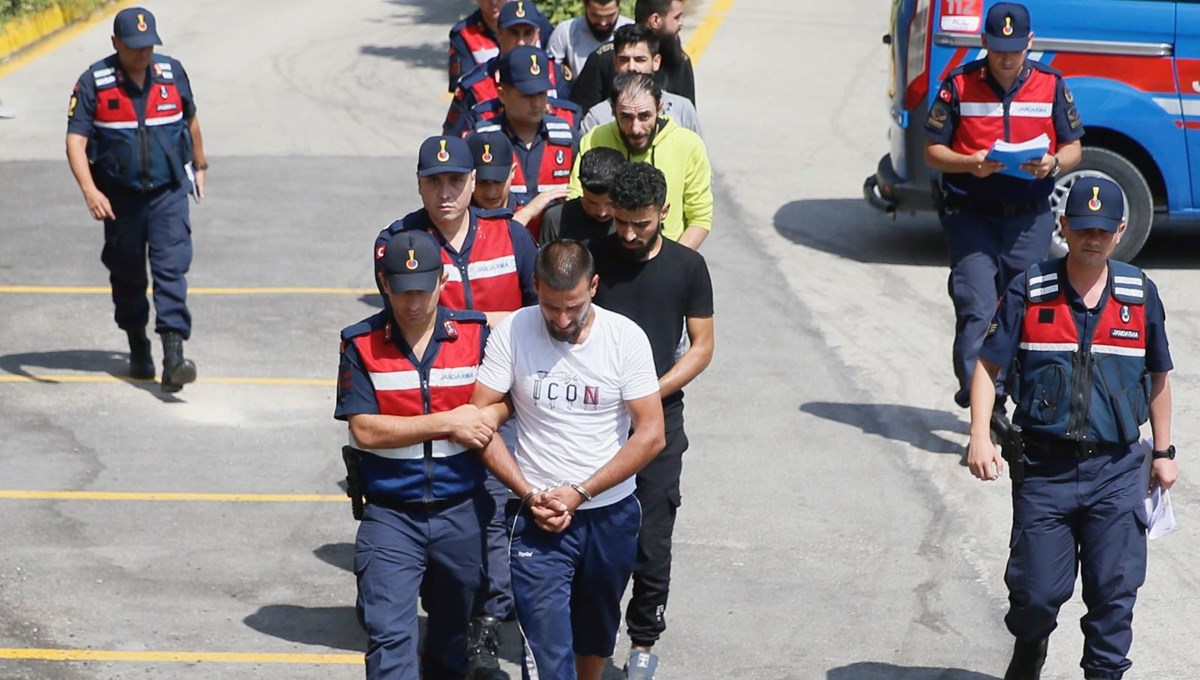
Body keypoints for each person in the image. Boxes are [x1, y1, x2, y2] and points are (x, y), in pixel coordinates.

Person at [966, 177, 1179, 680]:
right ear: (1063, 227)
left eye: (1103, 231)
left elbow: (1159, 379)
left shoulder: (1139, 293)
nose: (1093, 238)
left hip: (1118, 470)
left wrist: (1165, 452)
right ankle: (1030, 646)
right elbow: (988, 368)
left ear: (1120, 231)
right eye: (1082, 228)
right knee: (1035, 595)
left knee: (1114, 594)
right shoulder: (1031, 288)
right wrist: (979, 434)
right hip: (1045, 469)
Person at [374, 135, 538, 679]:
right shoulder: (400, 241)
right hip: (429, 406)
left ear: (475, 183)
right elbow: (401, 320)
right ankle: (412, 604)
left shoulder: (511, 236)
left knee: (493, 517)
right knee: (433, 519)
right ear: (418, 184)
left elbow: (539, 320)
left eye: (456, 181)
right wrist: (491, 323)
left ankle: (482, 631)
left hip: (499, 408)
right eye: (433, 181)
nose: (445, 192)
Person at [469, 240, 666, 680]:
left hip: (608, 515)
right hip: (535, 516)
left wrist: (580, 493)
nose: (560, 319)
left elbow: (651, 434)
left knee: (594, 634)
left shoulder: (624, 338)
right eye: (550, 306)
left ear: (594, 286)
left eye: (572, 307)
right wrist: (528, 493)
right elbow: (479, 422)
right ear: (535, 286)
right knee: (546, 651)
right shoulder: (513, 332)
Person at [336, 229, 502, 680]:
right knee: (390, 641)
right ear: (384, 285)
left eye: (423, 290)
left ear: (443, 280)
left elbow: (506, 400)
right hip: (391, 516)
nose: (413, 303)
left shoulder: (474, 334)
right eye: (403, 291)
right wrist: (448, 421)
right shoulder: (360, 345)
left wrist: (487, 415)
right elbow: (364, 429)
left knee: (450, 643)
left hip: (461, 513)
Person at [924, 2, 1083, 412]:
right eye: (997, 50)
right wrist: (968, 164)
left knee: (1028, 314)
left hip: (1028, 221)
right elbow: (932, 152)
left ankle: (1025, 405)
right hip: (971, 218)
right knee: (977, 310)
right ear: (984, 44)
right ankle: (987, 411)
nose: (1007, 58)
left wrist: (1053, 163)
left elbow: (1074, 149)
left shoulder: (1050, 85)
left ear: (1030, 43)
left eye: (1015, 49)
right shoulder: (958, 84)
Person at [589, 163, 713, 680]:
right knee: (595, 534)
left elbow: (702, 347)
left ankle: (642, 644)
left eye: (641, 223)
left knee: (652, 534)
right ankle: (591, 640)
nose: (629, 233)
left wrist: (647, 394)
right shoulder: (594, 258)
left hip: (660, 420)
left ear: (664, 212)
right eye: (621, 222)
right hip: (596, 418)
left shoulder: (687, 267)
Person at [65, 7, 208, 393]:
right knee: (127, 274)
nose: (142, 54)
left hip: (168, 193)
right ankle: (137, 343)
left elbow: (190, 120)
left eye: (147, 47)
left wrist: (200, 163)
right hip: (120, 199)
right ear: (116, 44)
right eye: (133, 48)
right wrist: (90, 191)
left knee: (170, 268)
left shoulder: (171, 73)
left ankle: (174, 356)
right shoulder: (94, 82)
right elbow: (75, 141)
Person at [571, 72, 712, 249]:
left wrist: (674, 261)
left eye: (645, 116)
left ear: (660, 108)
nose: (636, 128)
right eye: (626, 117)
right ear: (613, 111)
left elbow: (699, 217)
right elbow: (577, 199)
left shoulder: (689, 145)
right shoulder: (594, 139)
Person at [471, 45, 580, 241]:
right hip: (499, 248)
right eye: (528, 95)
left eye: (541, 93)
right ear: (503, 95)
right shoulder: (480, 140)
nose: (537, 103)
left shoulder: (567, 137)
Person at [445, 1, 571, 137]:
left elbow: (572, 125)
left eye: (528, 33)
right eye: (513, 33)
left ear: (537, 34)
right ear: (498, 33)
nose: (521, 42)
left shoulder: (557, 74)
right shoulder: (473, 87)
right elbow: (453, 143)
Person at [570, 0, 692, 114]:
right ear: (655, 20)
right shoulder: (603, 58)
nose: (681, 23)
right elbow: (580, 114)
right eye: (676, 17)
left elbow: (687, 118)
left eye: (640, 59)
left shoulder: (680, 62)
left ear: (656, 61)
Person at [580, 24, 701, 136]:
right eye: (624, 60)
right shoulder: (596, 118)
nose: (631, 67)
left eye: (640, 60)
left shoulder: (682, 110)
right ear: (615, 62)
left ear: (656, 62)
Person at [448, 0, 554, 92]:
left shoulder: (536, 23)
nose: (494, 2)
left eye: (528, 33)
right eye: (513, 33)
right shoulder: (464, 33)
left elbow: (554, 70)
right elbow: (463, 87)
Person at [539, 146, 624, 244]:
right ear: (581, 186)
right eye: (592, 202)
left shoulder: (634, 222)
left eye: (611, 204)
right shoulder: (556, 219)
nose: (602, 212)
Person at [546, 0, 634, 78]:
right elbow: (549, 72)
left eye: (610, 15)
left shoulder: (632, 30)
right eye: (595, 15)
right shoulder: (565, 31)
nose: (603, 23)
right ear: (585, 5)